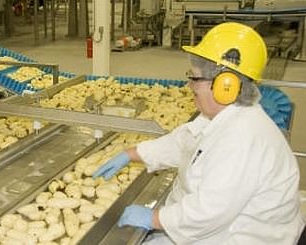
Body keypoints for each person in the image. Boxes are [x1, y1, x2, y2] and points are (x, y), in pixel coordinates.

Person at [93, 22, 304, 244]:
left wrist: (154, 218)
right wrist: (132, 153)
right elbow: (184, 142)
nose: (189, 85)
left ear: (226, 86)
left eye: (195, 77)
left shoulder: (243, 139)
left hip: (239, 236)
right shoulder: (225, 116)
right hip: (218, 226)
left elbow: (209, 212)